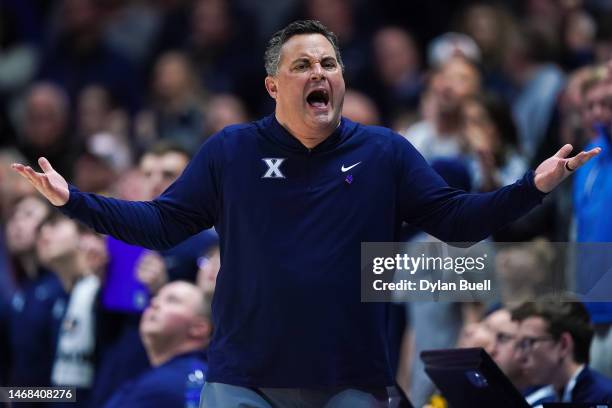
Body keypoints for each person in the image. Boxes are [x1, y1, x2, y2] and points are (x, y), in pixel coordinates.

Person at [13, 20, 600, 407]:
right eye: (303, 66)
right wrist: (75, 201)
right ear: (273, 85)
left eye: (330, 63)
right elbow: (162, 225)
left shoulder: (384, 151)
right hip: (244, 377)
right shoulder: (232, 151)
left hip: (350, 379)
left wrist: (534, 185)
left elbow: (458, 222)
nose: (320, 73)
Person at [102, 281, 210, 408]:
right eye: (156, 297)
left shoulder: (168, 386)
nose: (154, 303)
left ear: (198, 328)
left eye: (172, 300)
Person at [512, 297, 612, 403]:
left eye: (528, 343)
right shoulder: (541, 399)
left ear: (563, 345)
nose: (518, 357)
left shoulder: (605, 399)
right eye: (519, 345)